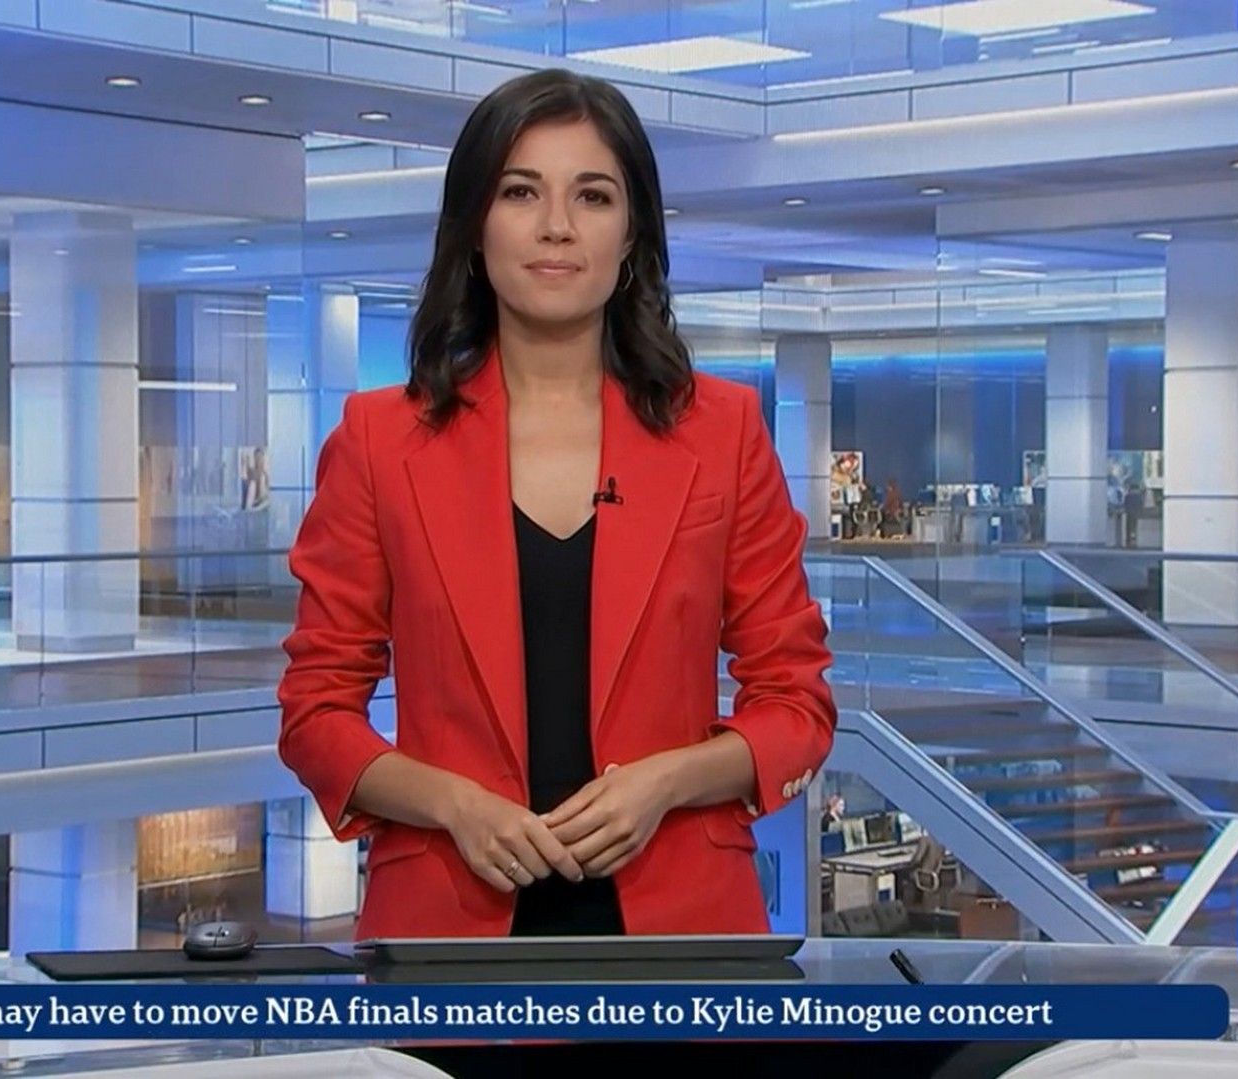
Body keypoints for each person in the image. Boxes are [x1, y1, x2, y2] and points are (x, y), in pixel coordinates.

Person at [277, 69, 836, 941]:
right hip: (446, 930)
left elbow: (797, 706)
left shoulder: (723, 432)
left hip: (682, 933)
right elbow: (316, 714)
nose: (557, 226)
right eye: (520, 191)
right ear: (475, 226)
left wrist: (665, 782)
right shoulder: (378, 440)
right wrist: (451, 803)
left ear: (632, 233)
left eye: (593, 196)